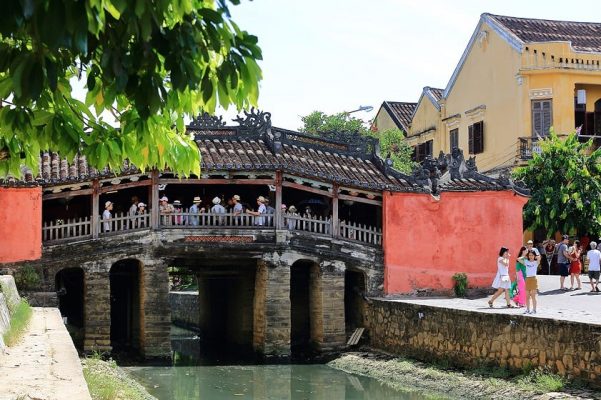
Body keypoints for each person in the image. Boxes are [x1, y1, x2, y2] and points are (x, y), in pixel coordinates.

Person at [518, 249, 540, 314]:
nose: (530, 256)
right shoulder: (526, 261)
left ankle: (534, 310)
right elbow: (518, 259)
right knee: (527, 296)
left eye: (532, 255)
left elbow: (539, 257)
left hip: (533, 279)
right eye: (529, 255)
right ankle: (527, 309)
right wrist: (525, 256)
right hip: (527, 279)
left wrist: (536, 256)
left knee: (533, 296)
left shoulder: (536, 262)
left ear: (534, 256)